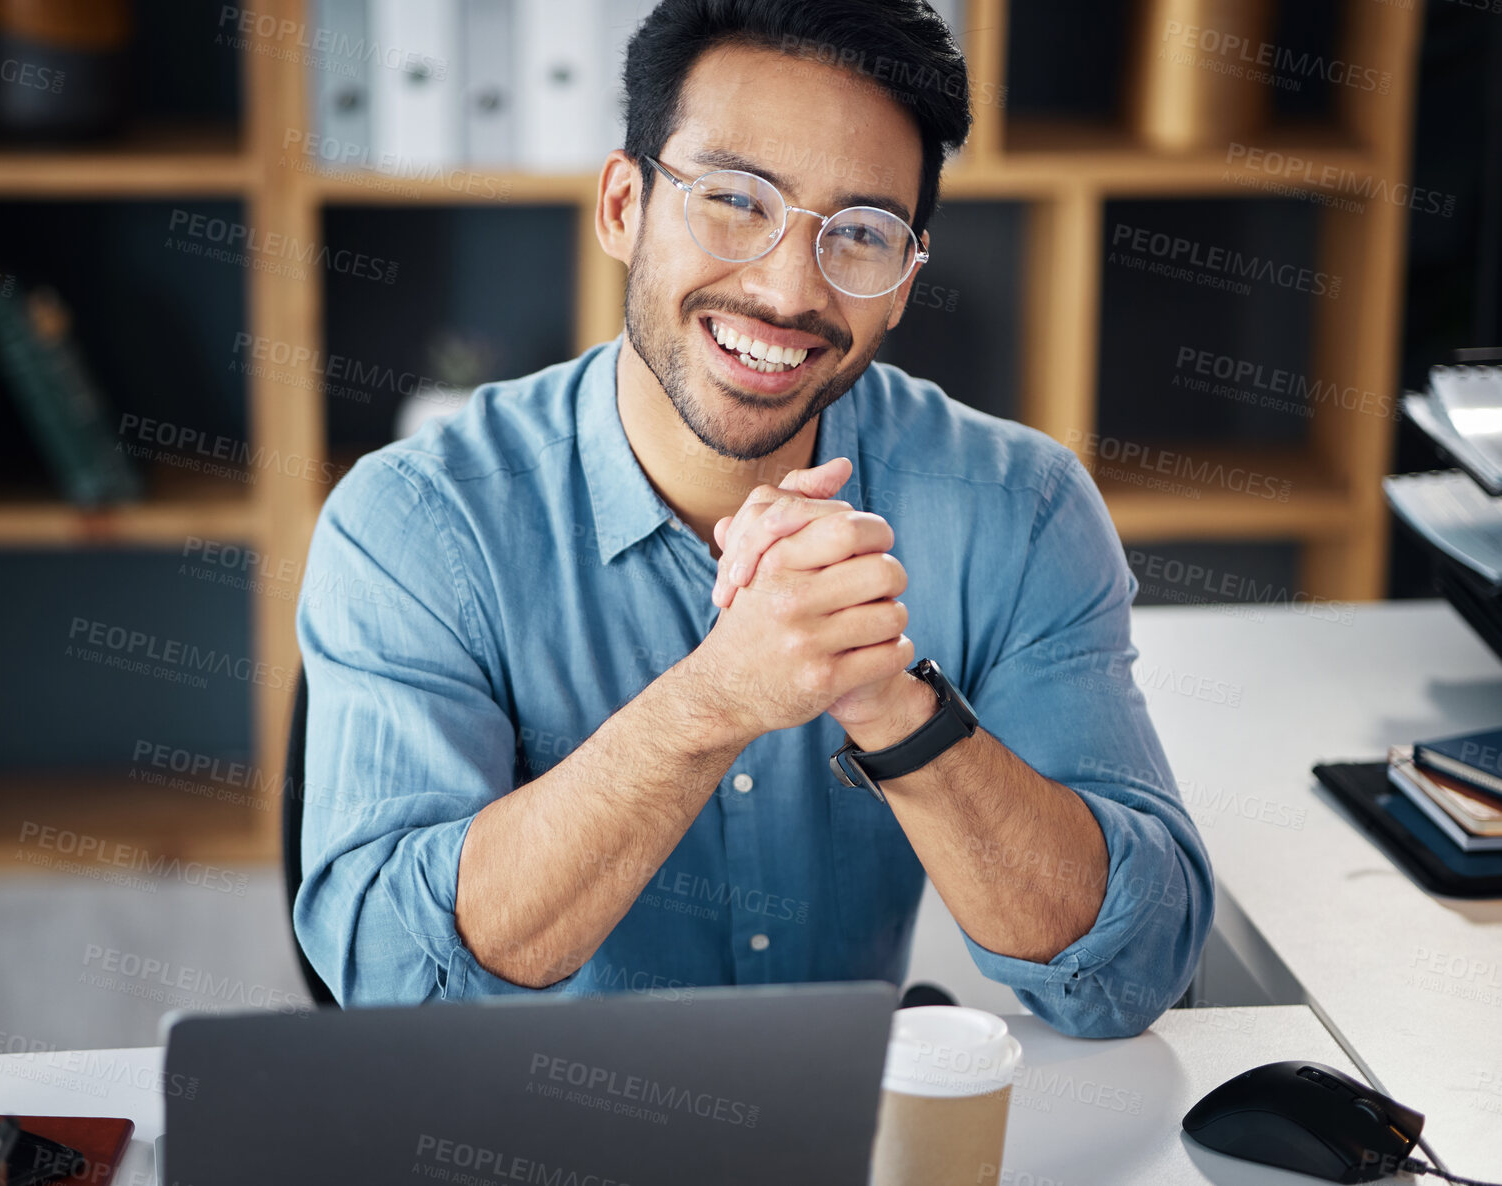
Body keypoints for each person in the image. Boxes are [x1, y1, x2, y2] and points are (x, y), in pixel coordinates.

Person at [295, 0, 1213, 1038]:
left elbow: (1132, 973)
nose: (785, 289)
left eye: (859, 234)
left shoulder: (1019, 508)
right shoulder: (415, 522)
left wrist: (895, 708)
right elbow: (391, 986)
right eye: (732, 200)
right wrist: (711, 700)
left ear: (904, 281)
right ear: (620, 206)